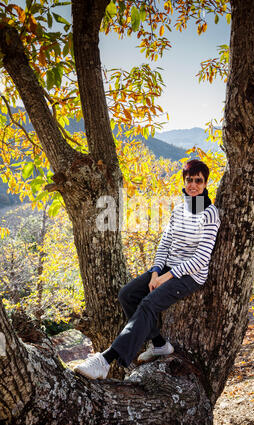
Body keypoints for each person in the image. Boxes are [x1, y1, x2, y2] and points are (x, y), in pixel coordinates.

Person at [74, 159, 221, 379]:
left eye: (198, 181)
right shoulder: (179, 210)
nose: (193, 185)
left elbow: (201, 258)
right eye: (189, 179)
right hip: (167, 268)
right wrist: (155, 272)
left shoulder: (210, 214)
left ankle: (106, 360)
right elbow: (165, 243)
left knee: (149, 304)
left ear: (206, 183)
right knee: (127, 294)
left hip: (190, 275)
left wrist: (166, 277)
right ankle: (159, 344)